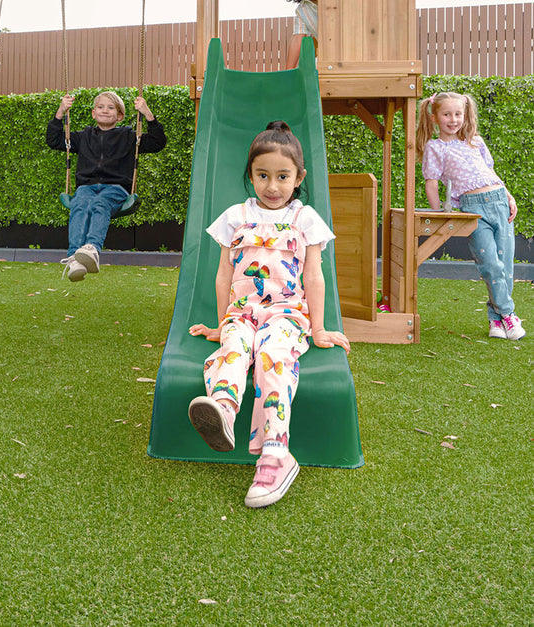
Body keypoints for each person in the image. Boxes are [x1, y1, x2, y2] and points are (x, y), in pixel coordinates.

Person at [187, 120, 349, 508]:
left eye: (282, 176)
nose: (272, 186)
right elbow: (225, 272)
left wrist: (321, 329)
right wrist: (223, 320)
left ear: (298, 177)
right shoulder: (235, 216)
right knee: (233, 350)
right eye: (262, 175)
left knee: (272, 356)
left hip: (286, 315)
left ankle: (277, 453)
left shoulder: (305, 219)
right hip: (243, 313)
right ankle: (223, 412)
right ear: (251, 175)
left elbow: (314, 274)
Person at [417, 91, 525, 341]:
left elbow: (490, 171)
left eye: (458, 114)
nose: (453, 119)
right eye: (447, 114)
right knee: (490, 265)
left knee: (505, 266)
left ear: (465, 116)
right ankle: (509, 314)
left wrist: (509, 196)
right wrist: (438, 214)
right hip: (473, 209)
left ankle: (496, 321)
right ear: (435, 118)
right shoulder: (436, 147)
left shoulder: (476, 142)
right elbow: (431, 183)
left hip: (499, 200)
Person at [46, 90, 166, 281]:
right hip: (86, 187)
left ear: (119, 116)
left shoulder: (128, 136)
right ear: (93, 113)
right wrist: (60, 112)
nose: (105, 111)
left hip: (115, 188)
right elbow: (54, 140)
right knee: (80, 204)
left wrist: (147, 113)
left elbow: (158, 142)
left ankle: (92, 249)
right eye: (100, 107)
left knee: (100, 204)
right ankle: (74, 257)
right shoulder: (83, 136)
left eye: (111, 108)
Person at [279, 0, 319, 70]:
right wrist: (288, 72)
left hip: (357, 40)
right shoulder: (303, 10)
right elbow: (298, 38)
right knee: (313, 68)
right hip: (331, 55)